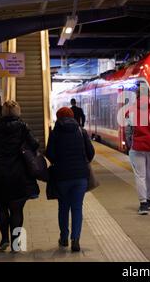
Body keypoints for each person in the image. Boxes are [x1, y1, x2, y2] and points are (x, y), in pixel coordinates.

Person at [0, 100, 40, 252]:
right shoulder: (23, 127)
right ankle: (15, 243)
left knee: (1, 207)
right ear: (17, 112)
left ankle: (4, 239)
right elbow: (34, 144)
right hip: (19, 175)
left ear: (3, 112)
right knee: (16, 210)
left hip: (0, 174)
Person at [46, 107, 95, 252]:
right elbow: (91, 153)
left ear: (58, 117)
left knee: (63, 207)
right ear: (72, 116)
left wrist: (59, 162)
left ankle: (64, 238)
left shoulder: (55, 133)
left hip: (62, 176)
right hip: (80, 177)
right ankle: (76, 239)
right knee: (77, 208)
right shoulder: (81, 131)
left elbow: (50, 154)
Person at [125, 84, 150, 215]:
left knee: (140, 175)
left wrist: (131, 145)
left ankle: (143, 205)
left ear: (136, 95)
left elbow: (128, 131)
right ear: (148, 95)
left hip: (137, 147)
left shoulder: (130, 111)